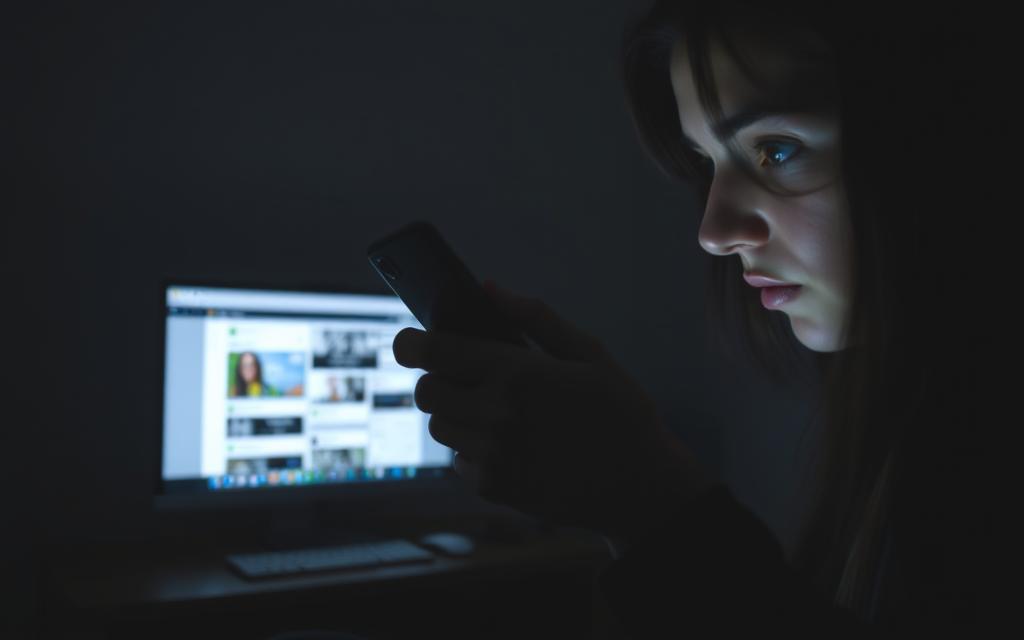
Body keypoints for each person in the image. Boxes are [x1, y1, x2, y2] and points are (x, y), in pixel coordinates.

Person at [392, 0, 1006, 635]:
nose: (714, 231)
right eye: (709, 161)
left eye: (777, 149)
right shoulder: (910, 420)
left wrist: (646, 501)